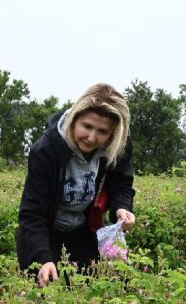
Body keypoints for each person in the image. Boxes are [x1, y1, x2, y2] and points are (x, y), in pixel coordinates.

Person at [16, 83, 135, 288]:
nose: (91, 137)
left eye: (102, 131)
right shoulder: (46, 150)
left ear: (113, 133)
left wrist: (122, 207)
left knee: (94, 288)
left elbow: (120, 183)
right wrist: (44, 258)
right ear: (74, 118)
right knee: (44, 292)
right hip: (46, 229)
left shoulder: (117, 148)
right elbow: (32, 214)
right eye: (86, 126)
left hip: (83, 225)